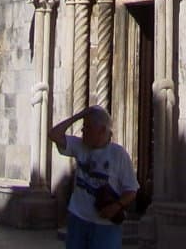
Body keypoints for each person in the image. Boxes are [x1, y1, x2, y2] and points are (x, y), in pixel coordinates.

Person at [48, 105, 137, 249]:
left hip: (105, 226)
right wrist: (79, 115)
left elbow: (132, 190)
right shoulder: (79, 146)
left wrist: (116, 206)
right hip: (78, 219)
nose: (83, 130)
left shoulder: (119, 155)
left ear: (101, 130)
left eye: (87, 127)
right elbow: (53, 134)